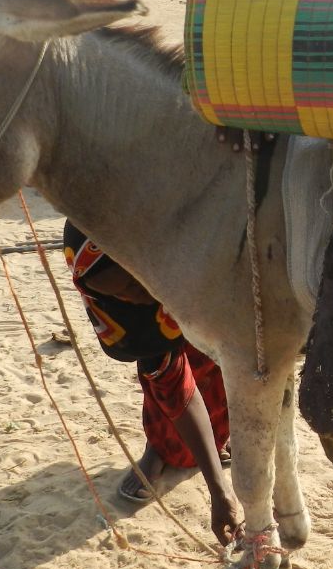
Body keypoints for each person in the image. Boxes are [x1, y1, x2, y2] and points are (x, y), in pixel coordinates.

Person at [62, 220, 240, 545]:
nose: (135, 299)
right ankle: (159, 446)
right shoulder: (128, 316)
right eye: (118, 294)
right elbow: (176, 391)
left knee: (217, 358)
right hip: (164, 316)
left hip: (192, 280)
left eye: (133, 284)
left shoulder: (191, 247)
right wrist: (220, 491)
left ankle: (215, 440)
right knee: (161, 371)